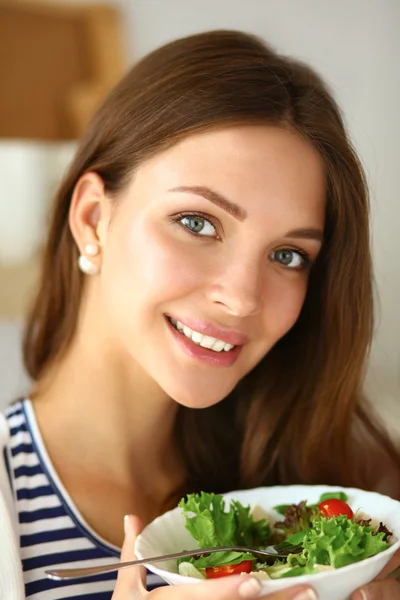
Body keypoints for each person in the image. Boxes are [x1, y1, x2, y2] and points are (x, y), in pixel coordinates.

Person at [0, 29, 399, 600]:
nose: (241, 298)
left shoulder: (346, 498)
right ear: (92, 220)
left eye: (288, 256)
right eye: (197, 222)